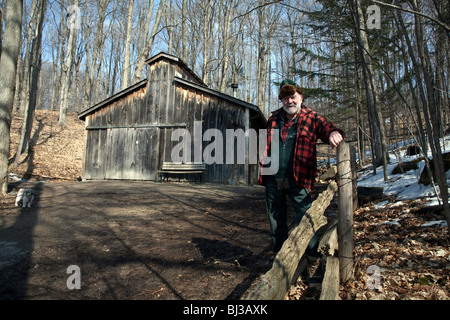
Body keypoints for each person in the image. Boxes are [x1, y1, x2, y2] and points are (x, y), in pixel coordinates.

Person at [258, 79, 344, 276]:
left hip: (299, 179)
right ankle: (280, 266)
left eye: (293, 97)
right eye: (285, 98)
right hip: (273, 179)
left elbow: (327, 127)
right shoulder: (273, 119)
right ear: (281, 100)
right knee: (276, 222)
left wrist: (333, 133)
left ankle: (313, 264)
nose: (289, 101)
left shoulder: (311, 118)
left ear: (301, 97)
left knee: (307, 220)